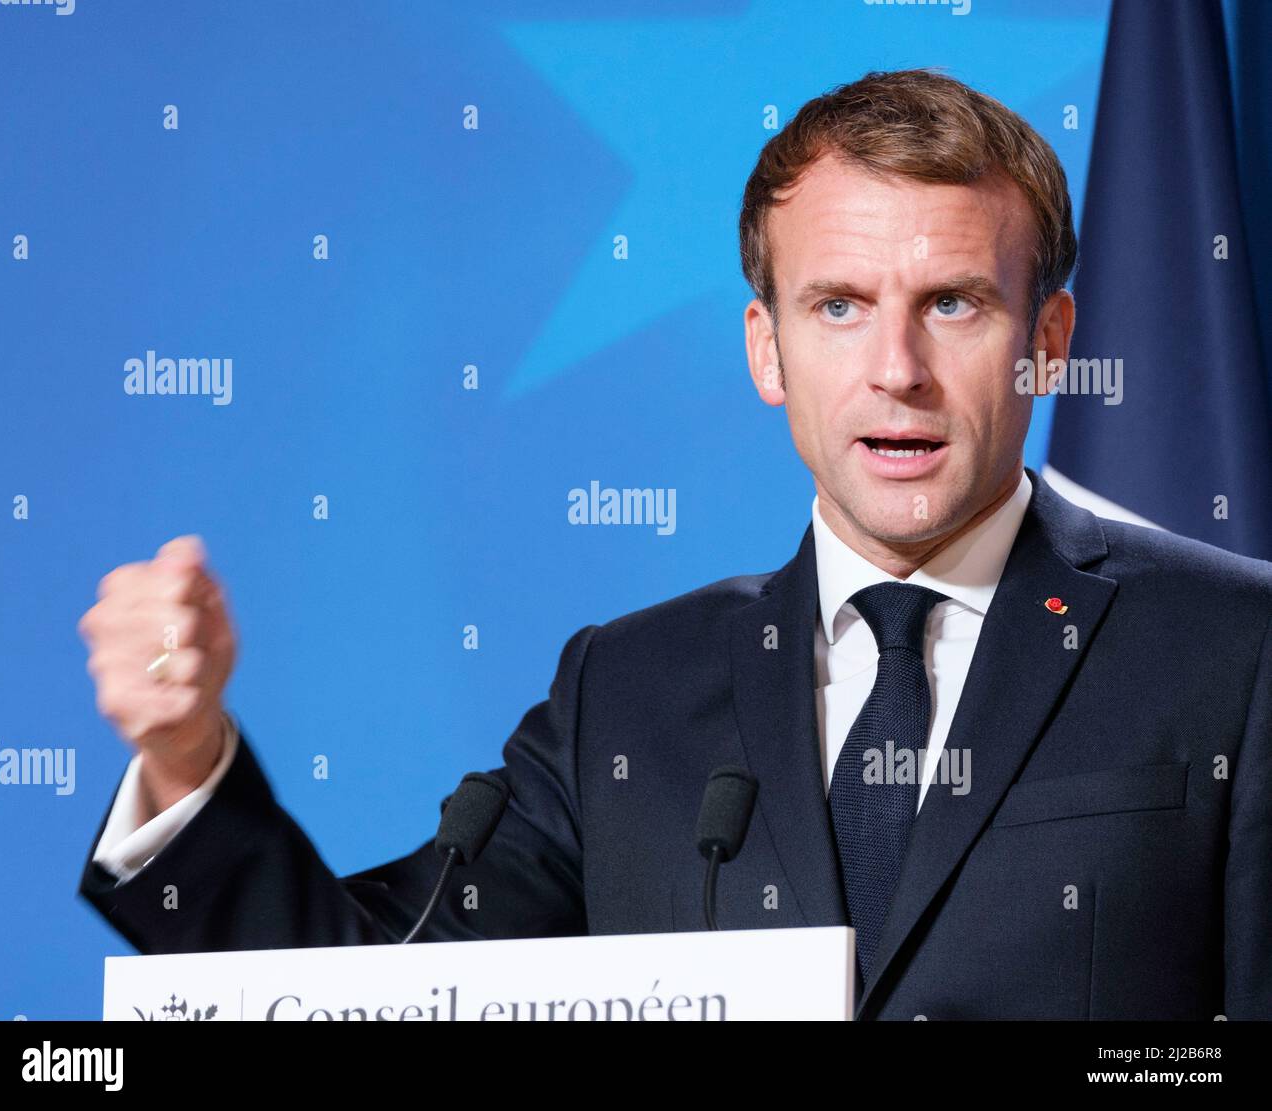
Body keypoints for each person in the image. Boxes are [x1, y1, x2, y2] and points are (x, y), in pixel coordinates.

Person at [76, 69, 1272, 1020]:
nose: (896, 371)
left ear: (1048, 341)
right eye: (838, 306)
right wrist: (187, 763)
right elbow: (372, 992)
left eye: (952, 303)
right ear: (767, 350)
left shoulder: (1232, 649)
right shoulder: (627, 692)